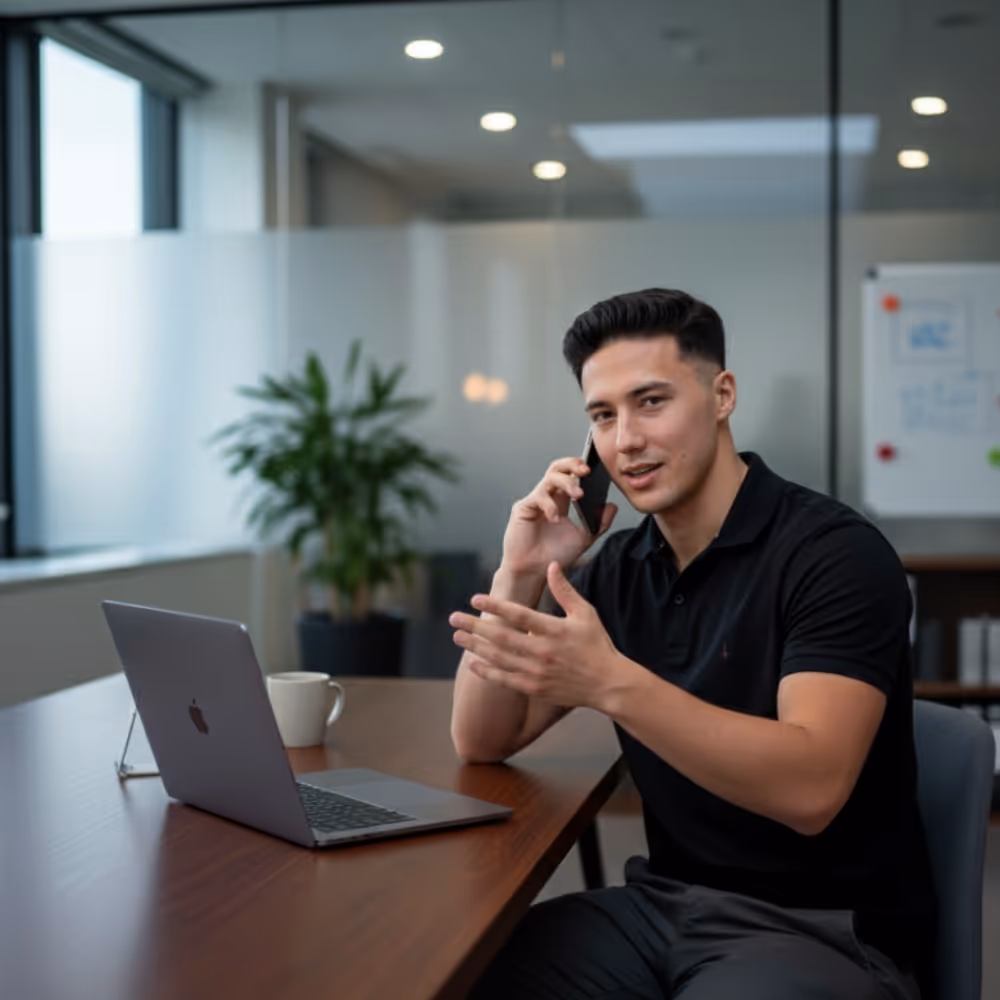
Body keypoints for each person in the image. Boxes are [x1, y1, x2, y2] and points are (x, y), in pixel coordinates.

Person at [449, 288, 936, 1000]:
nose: (625, 441)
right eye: (602, 416)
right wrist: (519, 569)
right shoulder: (618, 569)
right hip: (663, 909)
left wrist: (610, 681)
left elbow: (813, 788)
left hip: (821, 930)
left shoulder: (835, 554)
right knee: (459, 974)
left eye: (651, 402)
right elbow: (484, 737)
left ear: (722, 395)